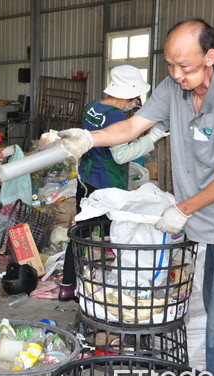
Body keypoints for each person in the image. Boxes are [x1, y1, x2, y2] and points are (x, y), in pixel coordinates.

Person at [58, 19, 214, 376]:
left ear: (210, 57)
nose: (176, 75)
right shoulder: (174, 89)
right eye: (170, 65)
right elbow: (132, 126)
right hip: (204, 222)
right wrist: (90, 137)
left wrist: (183, 209)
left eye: (184, 66)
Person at [58, 65, 169, 300]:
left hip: (86, 180)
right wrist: (153, 137)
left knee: (80, 235)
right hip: (106, 184)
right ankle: (122, 287)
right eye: (136, 97)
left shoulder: (93, 107)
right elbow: (121, 155)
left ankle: (67, 285)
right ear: (130, 93)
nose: (136, 101)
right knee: (120, 235)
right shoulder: (116, 115)